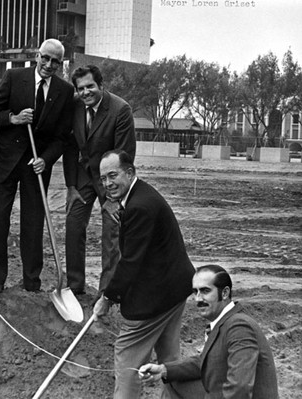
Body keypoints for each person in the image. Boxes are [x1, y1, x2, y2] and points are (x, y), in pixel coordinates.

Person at [93, 150, 195, 399]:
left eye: (113, 175)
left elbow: (130, 262)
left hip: (160, 293)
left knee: (127, 353)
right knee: (169, 358)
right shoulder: (140, 195)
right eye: (104, 178)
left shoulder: (140, 206)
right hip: (175, 287)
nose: (107, 183)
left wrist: (107, 298)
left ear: (130, 173)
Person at [0, 38, 74, 293]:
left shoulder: (64, 91)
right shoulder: (14, 77)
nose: (48, 64)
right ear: (37, 55)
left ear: (60, 64)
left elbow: (62, 137)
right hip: (5, 162)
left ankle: (31, 281)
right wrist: (13, 118)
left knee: (33, 223)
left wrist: (45, 159)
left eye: (55, 61)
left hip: (36, 166)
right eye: (45, 58)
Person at [139, 264, 279, 399]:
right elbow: (207, 361)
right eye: (195, 292)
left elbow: (240, 388)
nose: (198, 299)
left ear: (224, 293)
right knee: (173, 381)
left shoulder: (239, 326)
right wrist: (163, 370)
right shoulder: (224, 321)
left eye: (205, 291)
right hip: (219, 391)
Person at [63, 65, 135, 295]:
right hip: (84, 176)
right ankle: (75, 287)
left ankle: (107, 294)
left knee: (112, 233)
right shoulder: (74, 105)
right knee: (73, 224)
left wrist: (113, 197)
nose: (86, 92)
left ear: (101, 85)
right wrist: (71, 186)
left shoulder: (120, 110)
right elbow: (70, 147)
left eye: (90, 86)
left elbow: (124, 157)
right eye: (81, 88)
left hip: (112, 178)